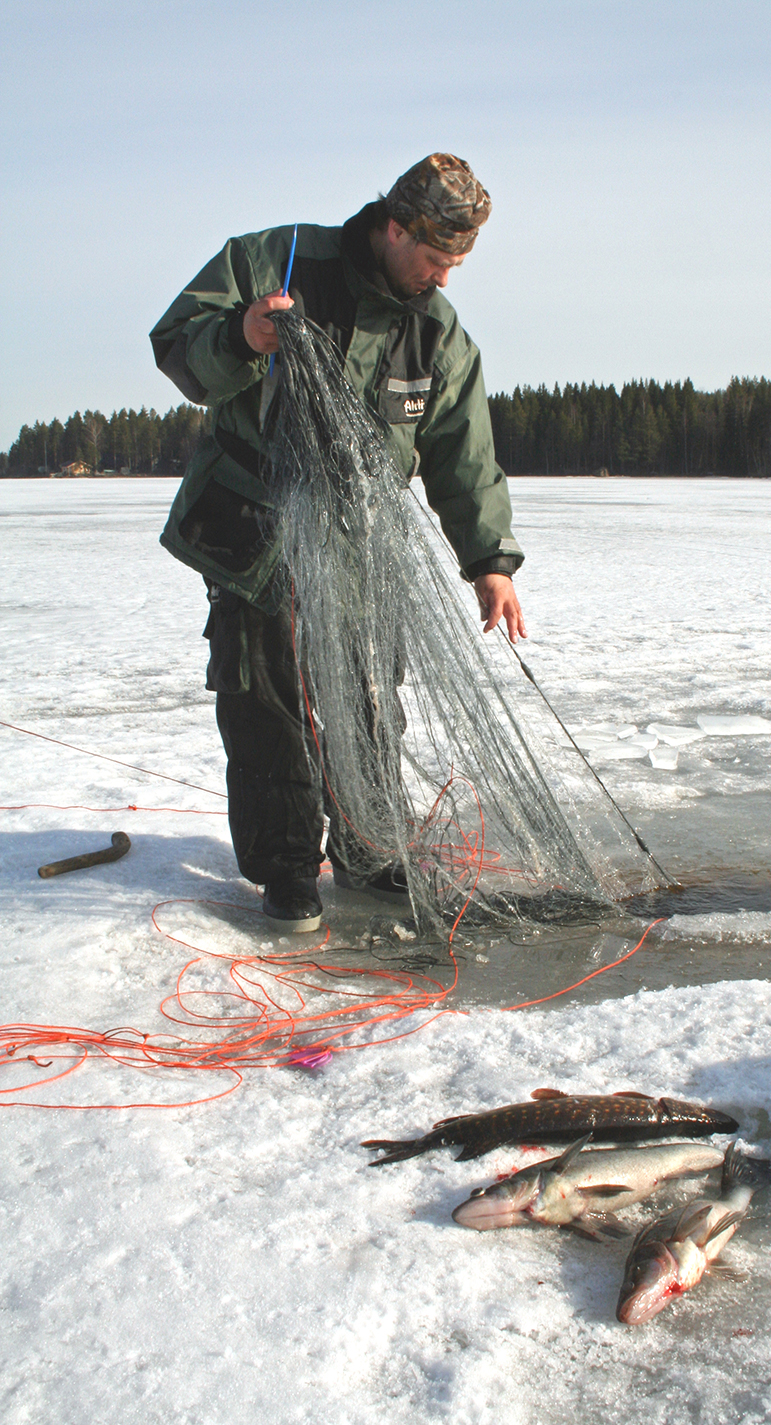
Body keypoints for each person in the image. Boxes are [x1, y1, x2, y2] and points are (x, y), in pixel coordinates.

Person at [150, 154, 526, 931]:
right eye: (434, 259)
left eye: (456, 264)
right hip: (253, 529)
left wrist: (490, 561)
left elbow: (462, 450)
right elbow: (178, 347)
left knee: (363, 698)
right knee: (268, 699)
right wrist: (242, 333)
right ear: (394, 229)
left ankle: (370, 851)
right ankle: (287, 870)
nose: (445, 279)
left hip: (358, 544)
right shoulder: (275, 258)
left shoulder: (435, 330)